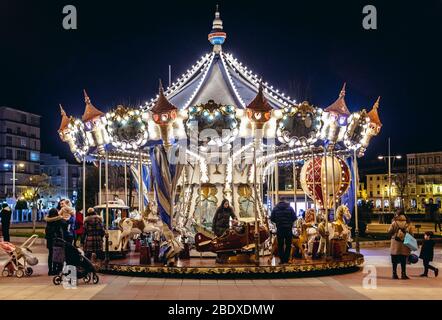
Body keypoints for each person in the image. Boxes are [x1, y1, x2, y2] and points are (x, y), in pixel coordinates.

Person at [388, 210, 413, 279]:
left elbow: (389, 231)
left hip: (395, 244)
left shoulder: (394, 222)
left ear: (397, 215)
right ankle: (403, 274)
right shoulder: (408, 223)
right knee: (403, 260)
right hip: (404, 244)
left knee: (394, 260)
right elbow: (411, 235)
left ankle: (394, 274)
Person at [271, 200, 296, 264]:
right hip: (288, 229)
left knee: (280, 245)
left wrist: (278, 222)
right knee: (288, 245)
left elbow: (272, 218)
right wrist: (290, 222)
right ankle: (286, 259)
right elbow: (294, 218)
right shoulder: (290, 208)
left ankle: (282, 260)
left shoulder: (275, 208)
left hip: (280, 229)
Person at [44, 208, 67, 276]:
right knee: (58, 254)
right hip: (58, 240)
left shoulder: (48, 221)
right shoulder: (59, 220)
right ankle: (57, 269)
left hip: (50, 240)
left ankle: (50, 270)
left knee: (51, 255)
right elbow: (65, 225)